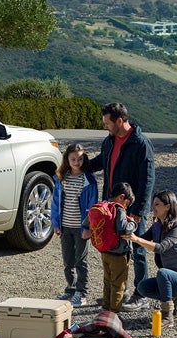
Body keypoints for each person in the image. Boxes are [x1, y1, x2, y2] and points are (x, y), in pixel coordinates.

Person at [87, 103, 155, 312]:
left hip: (131, 209)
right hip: (112, 208)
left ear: (119, 120)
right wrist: (79, 164)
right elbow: (101, 161)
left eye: (107, 123)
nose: (105, 126)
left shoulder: (140, 144)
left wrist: (138, 212)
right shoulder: (110, 140)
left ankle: (141, 295)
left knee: (137, 250)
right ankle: (119, 290)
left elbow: (147, 180)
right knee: (114, 249)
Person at [122, 190, 177, 328]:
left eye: (157, 204)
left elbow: (160, 248)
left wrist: (136, 239)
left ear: (168, 206)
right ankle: (176, 300)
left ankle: (167, 317)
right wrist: (127, 229)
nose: (153, 207)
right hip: (173, 279)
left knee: (163, 273)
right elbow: (137, 243)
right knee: (143, 287)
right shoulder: (157, 226)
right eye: (153, 204)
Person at [51, 143, 98, 307]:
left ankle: (81, 292)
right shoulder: (61, 178)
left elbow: (93, 206)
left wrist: (88, 227)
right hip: (65, 226)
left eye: (80, 159)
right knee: (68, 261)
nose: (77, 162)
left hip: (81, 228)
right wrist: (55, 224)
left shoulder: (88, 180)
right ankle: (70, 289)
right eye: (73, 159)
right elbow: (55, 203)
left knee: (81, 261)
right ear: (67, 159)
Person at [83, 182, 137, 313]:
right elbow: (123, 229)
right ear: (121, 197)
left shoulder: (101, 206)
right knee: (118, 284)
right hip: (119, 254)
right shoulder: (119, 209)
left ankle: (105, 310)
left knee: (107, 282)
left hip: (105, 251)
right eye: (127, 204)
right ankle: (113, 314)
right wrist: (133, 223)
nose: (126, 207)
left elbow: (86, 223)